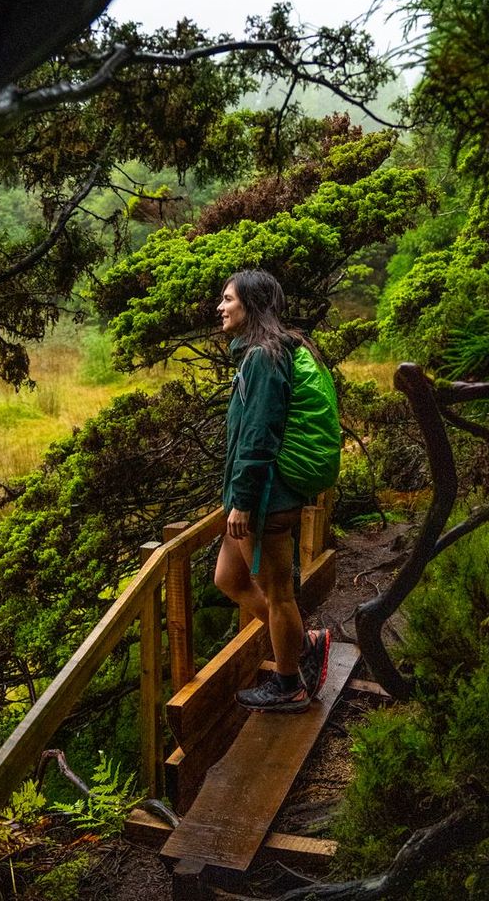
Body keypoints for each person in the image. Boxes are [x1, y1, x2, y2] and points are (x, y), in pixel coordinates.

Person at [215, 269, 331, 713]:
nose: (221, 308)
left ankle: (290, 685)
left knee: (279, 594)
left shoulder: (264, 357)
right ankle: (303, 644)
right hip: (256, 497)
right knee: (228, 578)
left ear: (251, 305)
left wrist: (243, 500)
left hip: (266, 500)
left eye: (229, 299)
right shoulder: (260, 354)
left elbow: (259, 434)